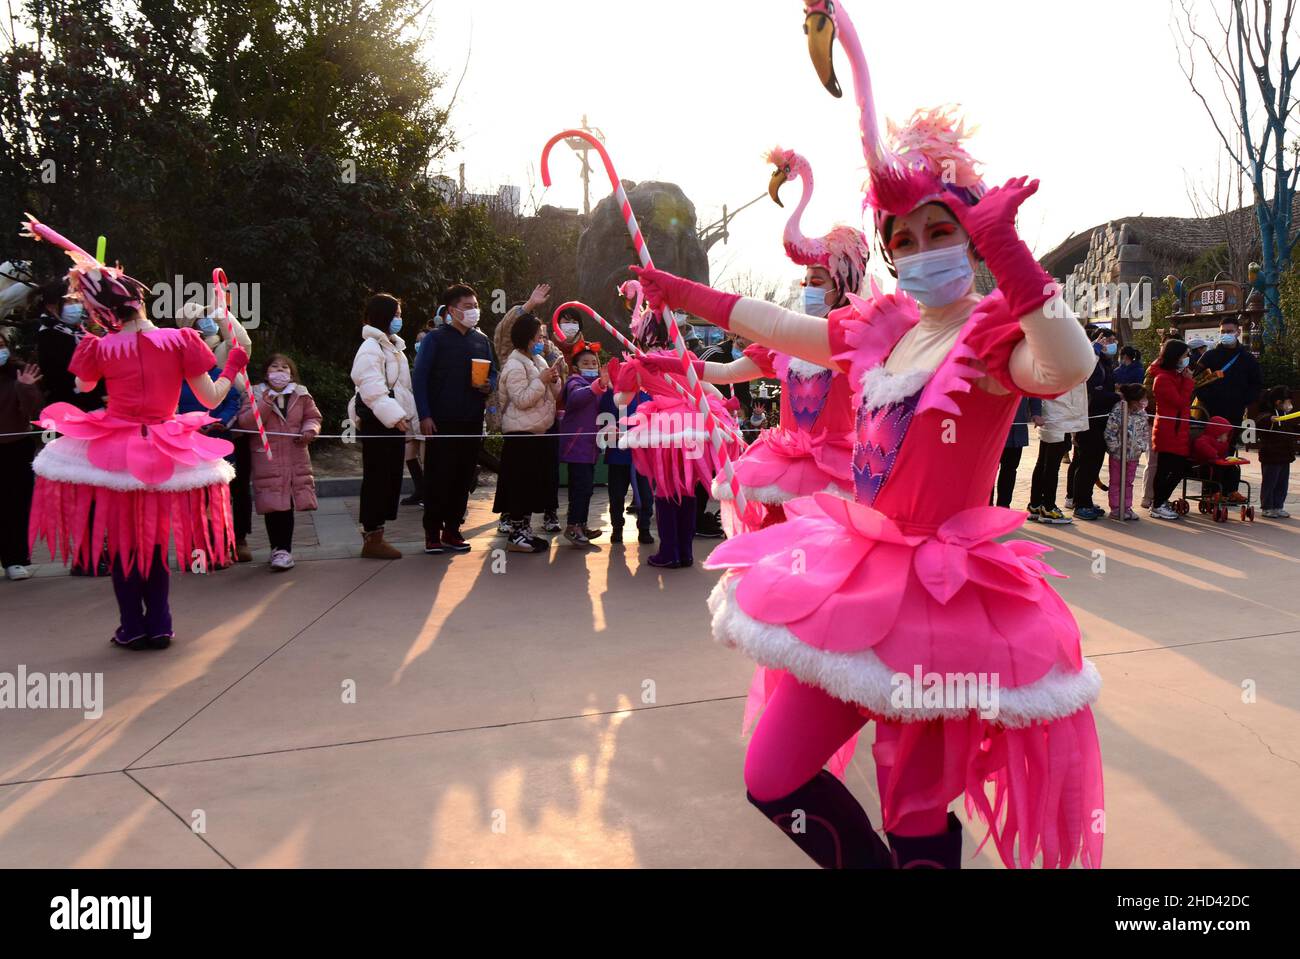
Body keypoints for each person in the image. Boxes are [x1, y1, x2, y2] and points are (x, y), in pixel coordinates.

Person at [631, 88, 1100, 867]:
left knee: (915, 813)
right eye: (905, 238)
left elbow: (1066, 364)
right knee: (771, 774)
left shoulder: (991, 337)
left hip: (944, 595)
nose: (922, 248)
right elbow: (781, 330)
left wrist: (1015, 259)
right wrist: (688, 297)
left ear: (975, 238)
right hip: (857, 575)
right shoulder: (882, 332)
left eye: (941, 231)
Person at [23, 216, 247, 650]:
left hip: (114, 446)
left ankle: (132, 626)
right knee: (154, 538)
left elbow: (83, 388)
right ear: (139, 299)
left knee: (123, 540)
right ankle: (160, 623)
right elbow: (211, 399)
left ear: (100, 310)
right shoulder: (182, 340)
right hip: (166, 442)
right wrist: (233, 364)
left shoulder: (96, 346)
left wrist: (93, 345)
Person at [612, 310, 742, 569]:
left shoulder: (638, 364)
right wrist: (725, 404)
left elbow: (622, 401)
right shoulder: (686, 357)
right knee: (688, 486)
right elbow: (704, 387)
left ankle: (669, 552)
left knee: (665, 487)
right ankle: (685, 551)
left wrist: (618, 381)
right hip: (695, 424)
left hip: (667, 427)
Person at [415, 284, 497, 553]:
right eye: (468, 306)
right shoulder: (435, 340)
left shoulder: (481, 340)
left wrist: (489, 385)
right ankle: (432, 533)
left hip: (472, 419)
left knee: (463, 477)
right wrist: (425, 414)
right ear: (452, 310)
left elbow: (493, 373)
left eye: (476, 306)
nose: (474, 311)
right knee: (438, 476)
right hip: (441, 421)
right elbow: (420, 378)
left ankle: (453, 529)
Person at [178, 300, 255, 561]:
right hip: (196, 436)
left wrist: (223, 314)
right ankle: (204, 546)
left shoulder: (222, 351)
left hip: (232, 430)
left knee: (238, 486)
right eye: (200, 318)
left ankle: (239, 539)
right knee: (200, 492)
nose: (206, 320)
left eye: (207, 316)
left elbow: (242, 345)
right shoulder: (180, 357)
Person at [349, 294, 417, 559]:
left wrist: (405, 415)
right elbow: (371, 387)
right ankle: (372, 537)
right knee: (377, 479)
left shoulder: (392, 347)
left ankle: (377, 534)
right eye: (397, 313)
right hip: (380, 421)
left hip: (392, 421)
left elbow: (402, 388)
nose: (400, 318)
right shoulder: (370, 348)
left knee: (389, 478)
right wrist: (394, 415)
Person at [239, 354, 321, 571]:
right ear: (266, 372)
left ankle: (283, 550)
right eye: (275, 366)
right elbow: (247, 422)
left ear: (291, 373)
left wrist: (309, 431)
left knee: (287, 504)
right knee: (273, 503)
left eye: (285, 367)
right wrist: (266, 403)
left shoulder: (301, 394)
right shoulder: (255, 393)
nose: (280, 371)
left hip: (295, 457)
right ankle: (277, 549)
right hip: (267, 458)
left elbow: (313, 417)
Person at [494, 285, 563, 533]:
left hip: (543, 429)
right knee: (518, 482)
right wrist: (529, 306)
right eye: (537, 337)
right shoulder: (512, 361)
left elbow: (554, 392)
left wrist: (554, 380)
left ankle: (531, 524)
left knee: (538, 477)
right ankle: (516, 528)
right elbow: (522, 399)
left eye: (543, 337)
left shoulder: (541, 358)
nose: (541, 341)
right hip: (522, 430)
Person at [1194, 319, 1263, 501]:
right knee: (1209, 452)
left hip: (1234, 413)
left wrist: (1244, 400)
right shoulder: (1209, 356)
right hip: (1211, 413)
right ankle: (1210, 492)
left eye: (1230, 331)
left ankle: (1228, 491)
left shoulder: (1247, 358)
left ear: (1238, 332)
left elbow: (1256, 384)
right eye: (1223, 330)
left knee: (1229, 452)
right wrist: (1208, 398)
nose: (1226, 334)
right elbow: (1196, 381)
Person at [0, 329, 42, 580]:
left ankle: (15, 559)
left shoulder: (18, 372)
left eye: (2, 343)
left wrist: (25, 388)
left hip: (17, 446)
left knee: (17, 505)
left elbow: (34, 410)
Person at [559, 347, 611, 546]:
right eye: (586, 363)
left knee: (587, 489)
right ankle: (573, 527)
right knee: (580, 488)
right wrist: (599, 385)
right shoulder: (575, 383)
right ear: (576, 368)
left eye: (594, 363)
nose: (591, 366)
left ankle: (582, 525)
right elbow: (576, 398)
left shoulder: (599, 387)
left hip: (591, 448)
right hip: (577, 447)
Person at [1070, 328, 1118, 520]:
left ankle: (1086, 500)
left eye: (1114, 340)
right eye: (1108, 340)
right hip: (1089, 418)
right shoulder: (1091, 362)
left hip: (1101, 418)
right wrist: (1116, 396)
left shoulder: (1105, 363)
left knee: (1094, 462)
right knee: (1086, 462)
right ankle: (1080, 503)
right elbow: (1092, 390)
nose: (1112, 344)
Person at [599, 386, 654, 544]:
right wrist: (609, 429)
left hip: (643, 455)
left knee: (646, 496)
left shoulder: (649, 393)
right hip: (618, 454)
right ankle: (617, 528)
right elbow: (603, 416)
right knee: (616, 496)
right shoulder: (612, 393)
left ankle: (644, 528)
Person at [1149, 339, 1196, 521]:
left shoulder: (1176, 376)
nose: (1187, 359)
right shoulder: (1162, 379)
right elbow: (1179, 402)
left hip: (1178, 430)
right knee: (1167, 469)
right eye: (1185, 355)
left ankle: (1161, 501)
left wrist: (1185, 381)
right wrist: (1188, 382)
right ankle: (1158, 503)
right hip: (1168, 431)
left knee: (1178, 468)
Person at [1027, 379, 1084, 524]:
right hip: (1061, 415)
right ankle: (1048, 507)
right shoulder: (1068, 361)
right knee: (1051, 466)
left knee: (1043, 463)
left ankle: (1035, 505)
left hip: (1053, 414)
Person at [1103, 383, 1149, 520]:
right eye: (1142, 399)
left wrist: (1141, 447)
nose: (1144, 402)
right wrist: (1115, 448)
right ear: (1133, 400)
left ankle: (1127, 506)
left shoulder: (1142, 414)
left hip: (1134, 455)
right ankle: (1116, 508)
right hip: (1118, 455)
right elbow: (1110, 432)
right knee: (1116, 481)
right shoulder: (1119, 410)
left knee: (1128, 482)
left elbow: (1145, 432)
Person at [992, 396, 1042, 508]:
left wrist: (1036, 413)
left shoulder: (1024, 377)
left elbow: (1033, 390)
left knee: (1010, 470)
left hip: (1016, 428)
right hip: (992, 429)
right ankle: (986, 507)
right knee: (989, 472)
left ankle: (1003, 507)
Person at [1256, 386, 1298, 518]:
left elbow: (1293, 429)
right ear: (1278, 402)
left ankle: (1278, 506)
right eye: (1287, 402)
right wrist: (1270, 419)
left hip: (1285, 455)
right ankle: (1267, 507)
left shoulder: (1287, 416)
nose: (1289, 405)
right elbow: (1261, 421)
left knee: (1282, 483)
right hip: (1271, 456)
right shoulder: (1266, 415)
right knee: (1270, 482)